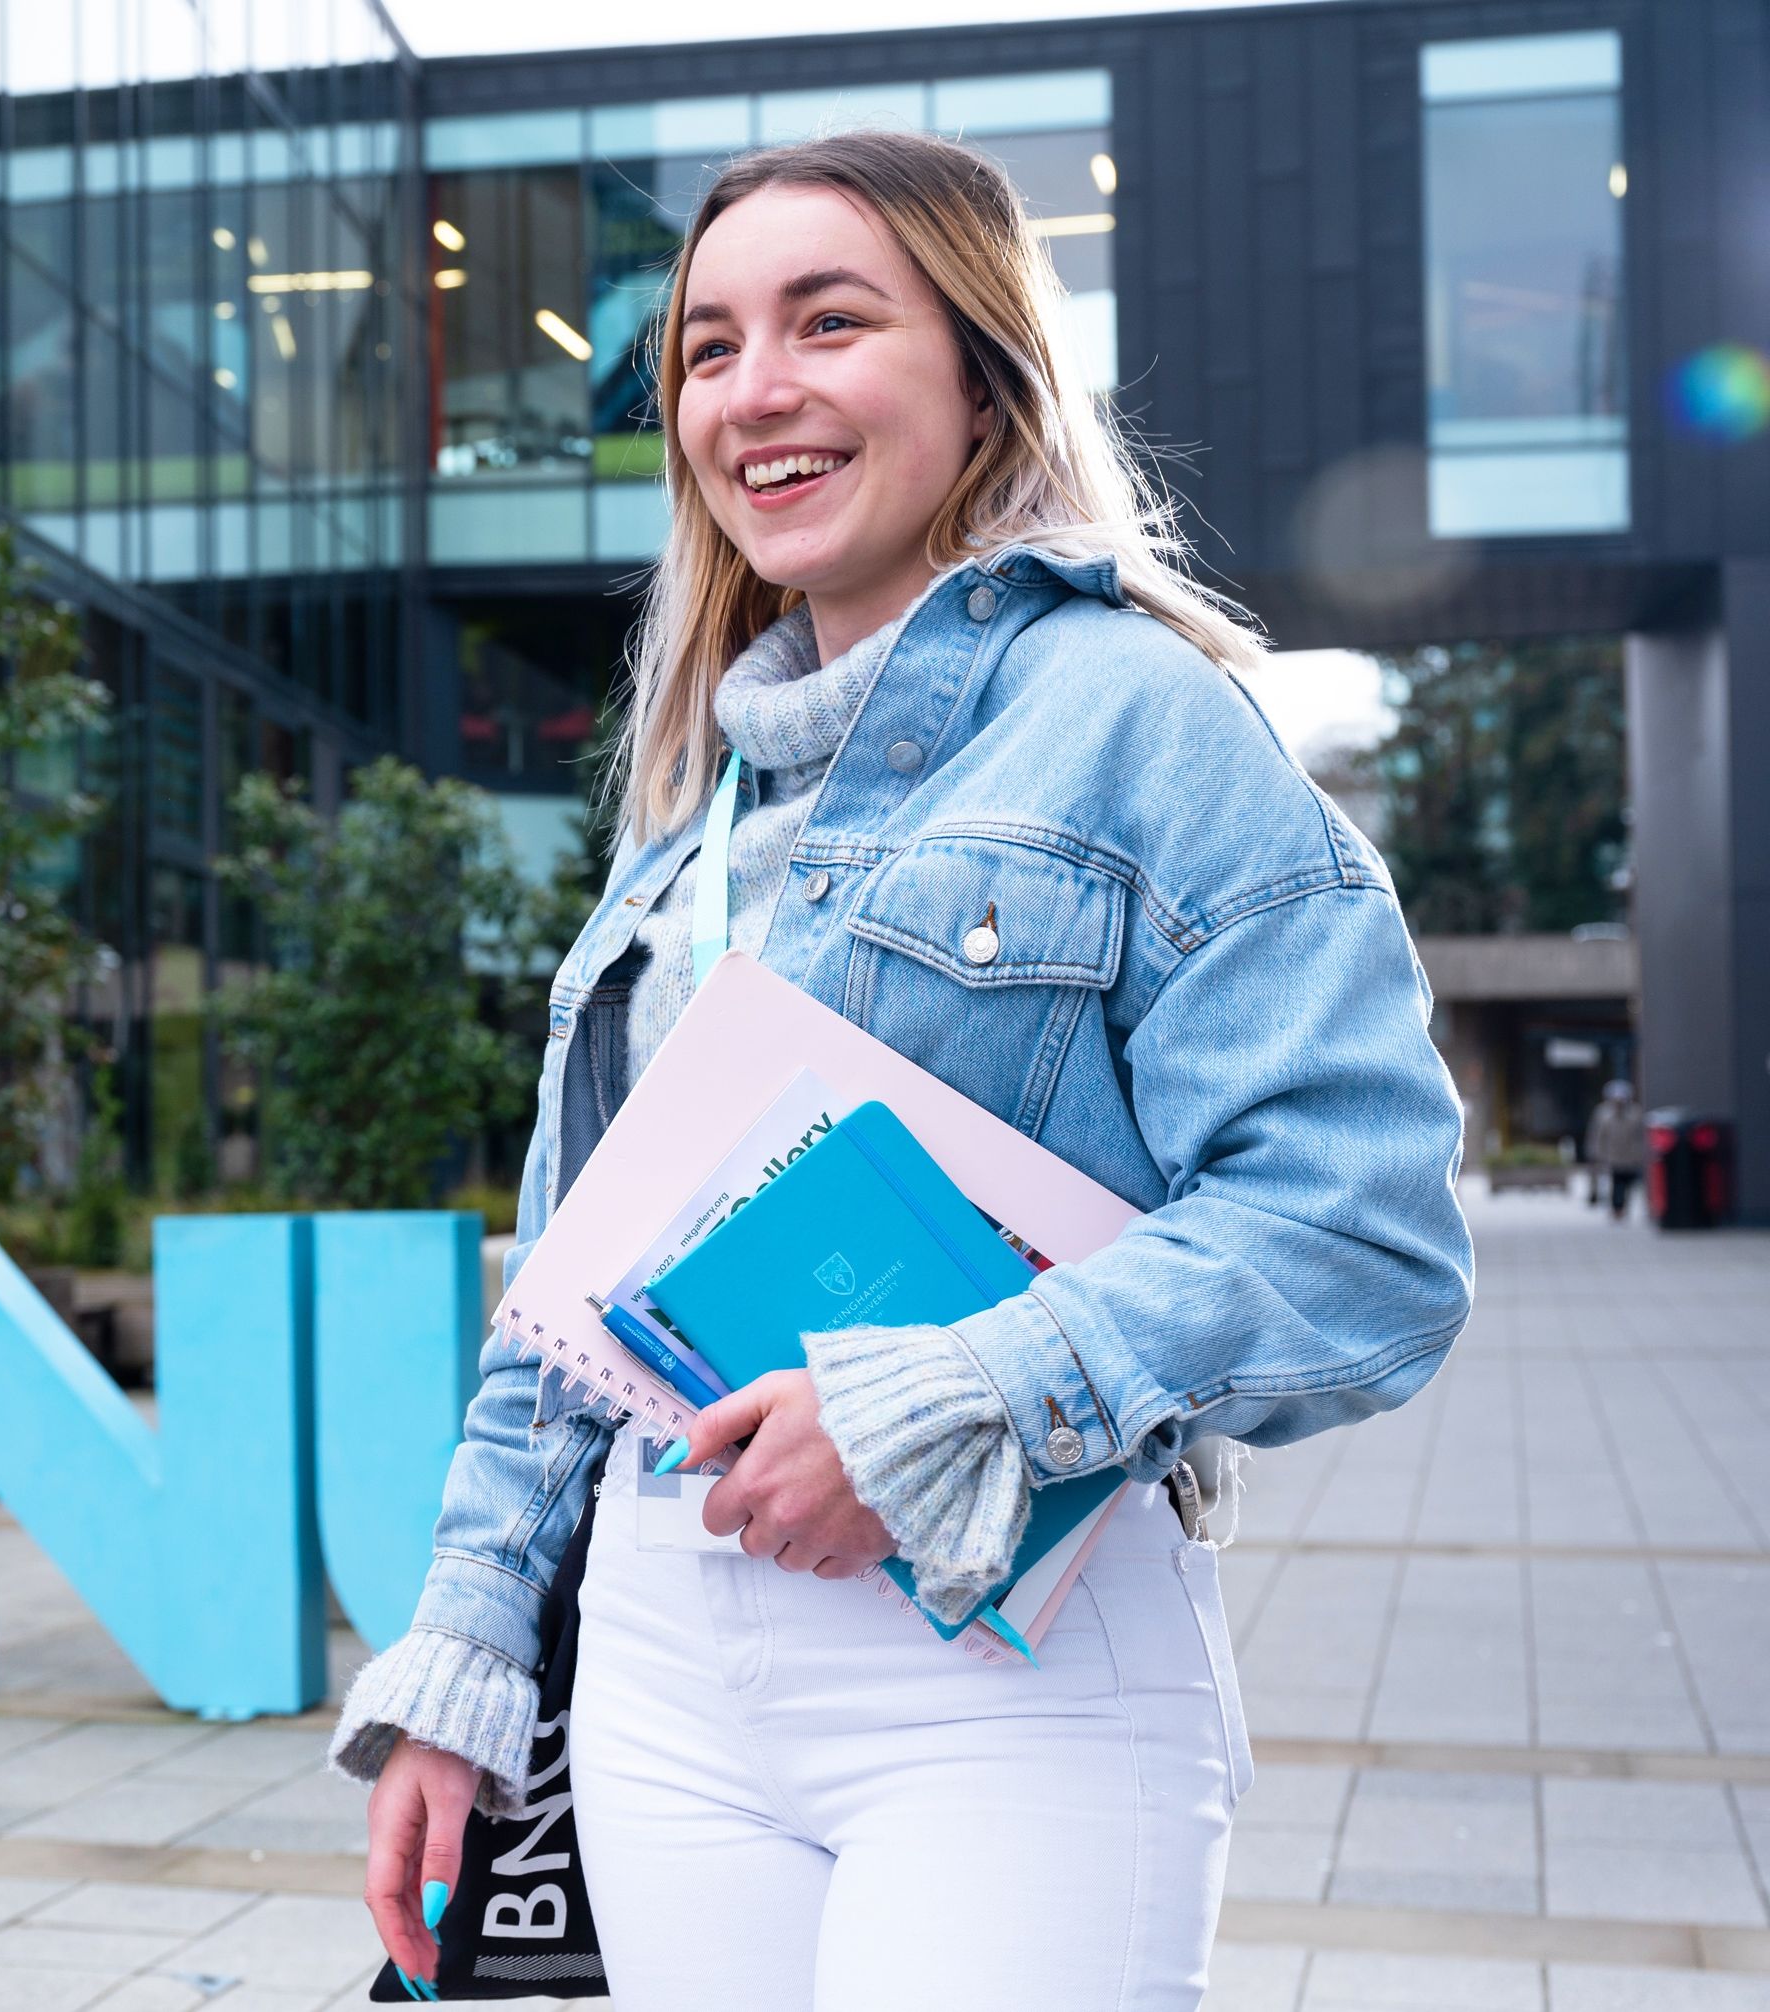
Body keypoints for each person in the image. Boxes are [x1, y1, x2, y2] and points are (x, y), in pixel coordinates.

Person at [333, 131, 1473, 2009]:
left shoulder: (1142, 725)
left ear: (983, 371)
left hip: (993, 1673)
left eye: (825, 320)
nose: (748, 390)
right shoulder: (691, 819)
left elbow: (1358, 1234)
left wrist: (954, 1396)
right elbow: (561, 1314)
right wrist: (464, 1654)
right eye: (701, 347)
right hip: (655, 1652)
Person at [1586, 1079, 1649, 1218]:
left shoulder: (1635, 1113)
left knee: (1628, 1182)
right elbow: (1597, 1135)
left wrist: (1641, 1152)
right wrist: (1596, 1152)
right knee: (1617, 1182)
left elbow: (1640, 1135)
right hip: (1612, 1154)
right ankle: (1617, 1208)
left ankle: (1623, 1206)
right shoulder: (1603, 1113)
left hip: (1631, 1155)